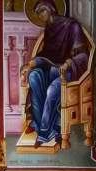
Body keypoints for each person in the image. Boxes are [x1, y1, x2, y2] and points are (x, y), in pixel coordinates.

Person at [25, 0, 90, 149]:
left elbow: (83, 56)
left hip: (68, 71)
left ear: (49, 9)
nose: (40, 16)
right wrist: (33, 62)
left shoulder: (72, 26)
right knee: (34, 76)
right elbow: (48, 55)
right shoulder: (49, 30)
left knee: (51, 91)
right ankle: (42, 124)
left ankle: (44, 132)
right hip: (51, 69)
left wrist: (68, 63)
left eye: (41, 11)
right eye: (37, 14)